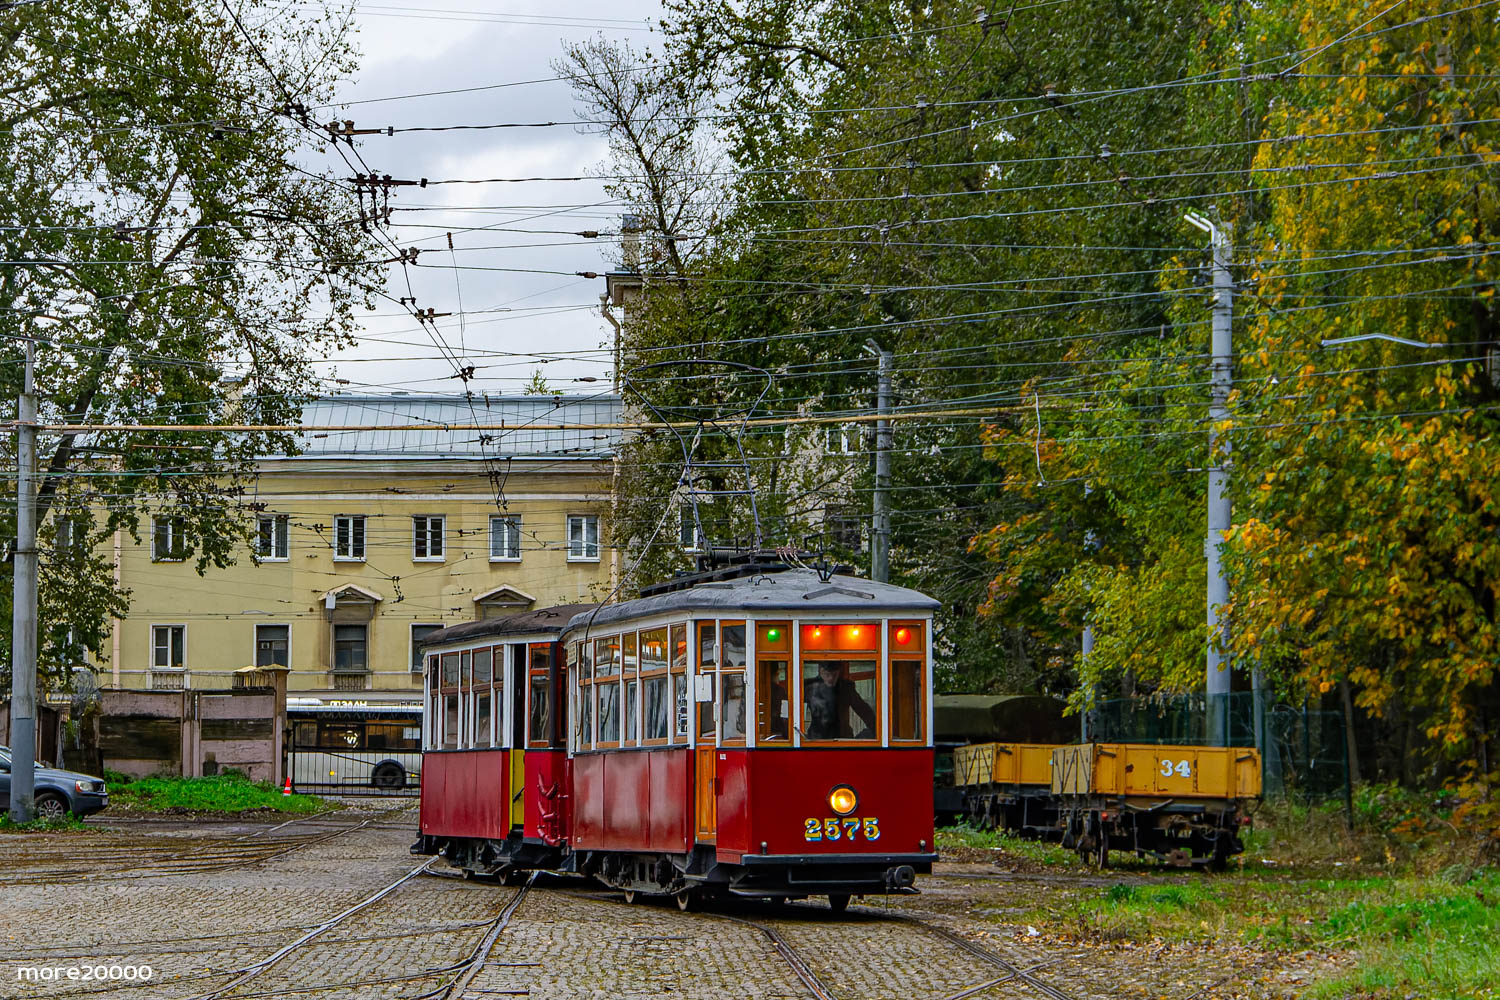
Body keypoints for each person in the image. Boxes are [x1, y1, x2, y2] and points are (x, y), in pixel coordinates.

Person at [803, 661, 877, 739]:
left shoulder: (846, 688)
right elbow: (793, 703)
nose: (831, 678)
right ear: (820, 672)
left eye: (834, 674)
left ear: (839, 672)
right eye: (827, 674)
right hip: (817, 739)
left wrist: (877, 730)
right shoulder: (810, 687)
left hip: (842, 739)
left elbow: (863, 709)